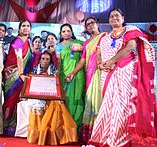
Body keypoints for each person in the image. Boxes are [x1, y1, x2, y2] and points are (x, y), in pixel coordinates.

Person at [87, 8, 156, 146]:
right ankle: (106, 135)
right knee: (108, 106)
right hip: (107, 74)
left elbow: (130, 47)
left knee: (124, 106)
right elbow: (99, 52)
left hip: (125, 72)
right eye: (111, 16)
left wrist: (112, 61)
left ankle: (123, 138)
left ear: (123, 19)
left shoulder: (129, 30)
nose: (114, 18)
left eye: (117, 16)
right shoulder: (105, 37)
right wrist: (100, 64)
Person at [65, 17, 105, 144]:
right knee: (91, 102)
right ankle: (92, 134)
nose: (90, 26)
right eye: (87, 24)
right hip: (89, 75)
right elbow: (83, 60)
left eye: (92, 23)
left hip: (102, 73)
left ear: (97, 24)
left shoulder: (105, 37)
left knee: (101, 101)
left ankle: (102, 132)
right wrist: (73, 73)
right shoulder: (86, 43)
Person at [3, 19, 33, 136]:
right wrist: (20, 74)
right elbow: (19, 57)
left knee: (20, 100)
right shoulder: (17, 41)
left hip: (24, 76)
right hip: (13, 75)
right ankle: (6, 125)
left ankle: (16, 126)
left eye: (28, 26)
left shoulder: (29, 42)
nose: (26, 28)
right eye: (23, 26)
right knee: (11, 99)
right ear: (20, 29)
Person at [56, 23, 85, 135]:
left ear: (72, 32)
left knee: (77, 100)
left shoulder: (79, 43)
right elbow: (59, 61)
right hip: (64, 75)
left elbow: (85, 56)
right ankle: (65, 130)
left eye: (68, 31)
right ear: (61, 33)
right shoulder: (59, 46)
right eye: (63, 31)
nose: (66, 33)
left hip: (77, 74)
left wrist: (80, 47)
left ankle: (76, 130)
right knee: (66, 101)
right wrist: (58, 72)